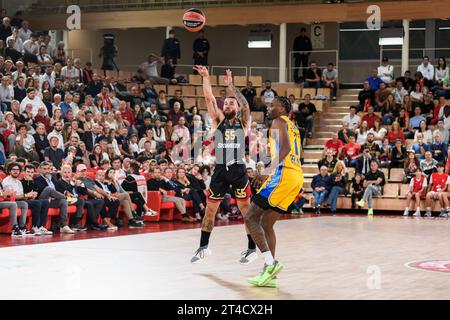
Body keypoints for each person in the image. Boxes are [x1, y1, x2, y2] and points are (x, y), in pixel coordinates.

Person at [190, 67, 254, 265]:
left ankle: (251, 248)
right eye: (225, 103)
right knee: (210, 210)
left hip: (238, 170)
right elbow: (209, 99)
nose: (227, 105)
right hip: (220, 170)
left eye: (230, 103)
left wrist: (230, 86)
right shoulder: (218, 121)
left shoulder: (243, 121)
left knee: (246, 210)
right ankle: (203, 247)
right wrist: (206, 78)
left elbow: (245, 104)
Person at [244, 95, 303, 287]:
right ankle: (270, 275)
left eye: (273, 105)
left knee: (251, 217)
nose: (268, 108)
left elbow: (284, 149)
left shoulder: (278, 121)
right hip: (295, 176)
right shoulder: (292, 126)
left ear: (283, 110)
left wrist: (267, 172)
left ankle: (271, 264)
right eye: (268, 105)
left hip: (283, 175)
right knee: (266, 224)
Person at [34, 161, 74, 234]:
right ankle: (67, 198)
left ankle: (64, 225)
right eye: (44, 169)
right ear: (40, 169)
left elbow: (58, 189)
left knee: (63, 202)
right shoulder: (37, 179)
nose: (46, 171)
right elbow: (40, 191)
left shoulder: (52, 178)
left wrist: (59, 195)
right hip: (43, 199)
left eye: (48, 169)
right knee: (48, 189)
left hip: (53, 200)